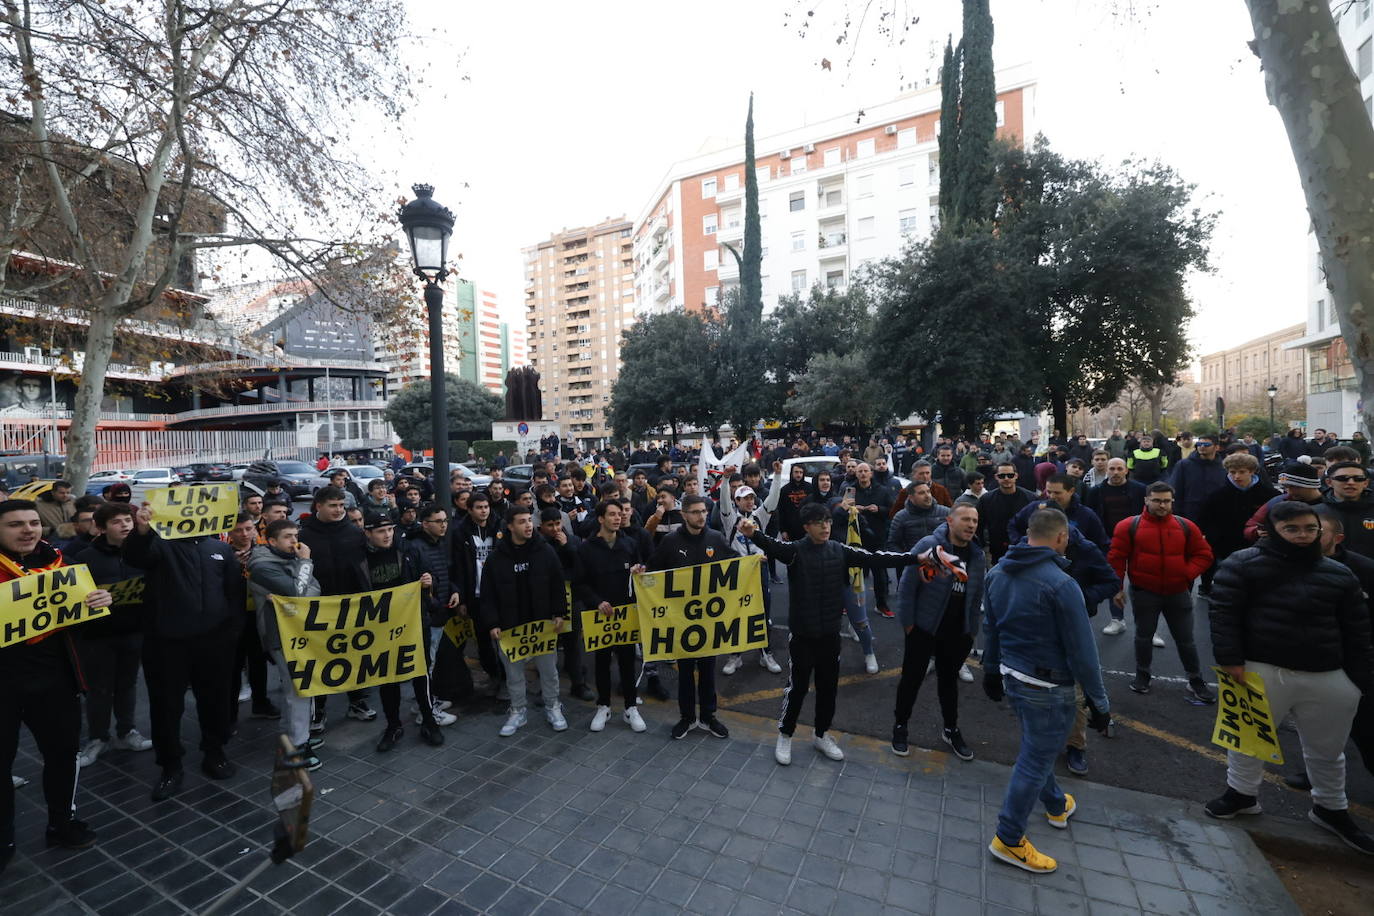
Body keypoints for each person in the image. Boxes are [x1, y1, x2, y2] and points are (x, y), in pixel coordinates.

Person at [1204, 501, 1374, 853]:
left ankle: (1330, 807)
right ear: (1273, 530)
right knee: (1247, 742)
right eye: (1292, 529)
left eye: (1310, 529)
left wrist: (1355, 681)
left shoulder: (1340, 574)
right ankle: (1242, 794)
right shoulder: (1242, 563)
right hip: (1260, 669)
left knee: (1327, 751)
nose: (1302, 536)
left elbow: (1358, 630)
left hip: (1327, 675)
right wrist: (1231, 662)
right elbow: (1223, 615)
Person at [982, 507, 1112, 874]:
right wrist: (1100, 702)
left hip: (1012, 677)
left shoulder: (997, 572)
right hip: (1050, 686)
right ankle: (1008, 838)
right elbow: (1084, 652)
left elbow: (990, 628)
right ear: (1060, 538)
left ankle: (1056, 804)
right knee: (1035, 758)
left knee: (1036, 748)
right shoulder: (1061, 583)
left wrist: (991, 670)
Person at [741, 505, 921, 765]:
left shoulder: (840, 550)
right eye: (818, 522)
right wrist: (752, 533)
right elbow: (769, 544)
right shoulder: (794, 551)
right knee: (798, 687)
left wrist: (915, 558)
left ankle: (822, 734)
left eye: (827, 522)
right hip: (802, 635)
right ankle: (785, 734)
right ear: (806, 527)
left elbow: (874, 558)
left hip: (830, 634)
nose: (825, 527)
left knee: (828, 688)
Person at [0, 500, 112, 871]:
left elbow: (86, 628)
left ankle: (61, 823)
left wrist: (97, 604)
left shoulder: (60, 565)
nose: (28, 530)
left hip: (54, 682)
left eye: (33, 522)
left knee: (63, 756)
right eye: (15, 524)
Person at [123, 502, 242, 801]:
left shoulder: (221, 548)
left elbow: (234, 594)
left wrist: (230, 635)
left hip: (213, 643)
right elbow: (135, 556)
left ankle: (214, 752)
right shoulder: (159, 545)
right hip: (166, 643)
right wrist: (141, 531)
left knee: (215, 700)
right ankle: (170, 765)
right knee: (165, 706)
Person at [891, 505, 985, 761]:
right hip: (924, 628)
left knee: (948, 683)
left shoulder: (977, 554)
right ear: (950, 520)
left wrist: (971, 630)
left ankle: (950, 729)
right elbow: (908, 586)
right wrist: (909, 624)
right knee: (911, 679)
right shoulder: (931, 545)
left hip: (957, 633)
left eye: (975, 521)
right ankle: (900, 726)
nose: (971, 525)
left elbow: (975, 597)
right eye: (965, 519)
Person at [1106, 482, 1215, 701]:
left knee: (1186, 640)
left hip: (1178, 593)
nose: (1162, 505)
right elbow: (1116, 560)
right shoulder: (1129, 526)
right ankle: (1142, 676)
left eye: (1166, 500)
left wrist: (1185, 574)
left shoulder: (1186, 526)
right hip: (1145, 592)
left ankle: (1195, 680)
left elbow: (1204, 555)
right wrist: (1116, 589)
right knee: (1143, 637)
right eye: (1156, 500)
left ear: (1172, 501)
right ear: (1146, 500)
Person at [75, 502, 155, 768]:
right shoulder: (84, 557)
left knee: (128, 684)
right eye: (117, 522)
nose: (125, 525)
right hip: (96, 635)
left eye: (128, 520)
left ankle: (126, 731)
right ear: (100, 528)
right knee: (99, 689)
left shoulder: (145, 552)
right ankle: (98, 737)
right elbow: (73, 598)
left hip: (134, 632)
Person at [648, 494, 733, 740]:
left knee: (708, 670)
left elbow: (734, 565)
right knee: (685, 672)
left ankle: (709, 716)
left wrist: (752, 562)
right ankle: (687, 717)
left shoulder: (716, 538)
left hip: (708, 619)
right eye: (695, 512)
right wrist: (640, 571)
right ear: (684, 514)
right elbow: (653, 570)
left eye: (704, 511)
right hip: (681, 620)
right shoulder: (670, 542)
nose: (701, 516)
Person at [360, 512, 447, 752]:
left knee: (421, 673)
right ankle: (393, 725)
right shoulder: (360, 559)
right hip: (381, 628)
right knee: (388, 678)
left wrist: (431, 582)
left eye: (390, 529)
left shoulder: (409, 551)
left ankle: (429, 721)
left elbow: (434, 579)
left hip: (414, 623)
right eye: (380, 531)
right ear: (368, 533)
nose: (387, 535)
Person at [480, 506, 568, 737]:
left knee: (549, 671)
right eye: (522, 521)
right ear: (510, 526)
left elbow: (558, 585)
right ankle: (518, 710)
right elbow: (488, 594)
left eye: (529, 520)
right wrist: (492, 622)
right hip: (511, 628)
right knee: (514, 674)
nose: (528, 525)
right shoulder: (496, 558)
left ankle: (553, 706)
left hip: (542, 626)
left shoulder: (545, 551)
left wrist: (560, 613)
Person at [247, 519, 325, 771]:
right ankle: (297, 747)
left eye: (296, 535)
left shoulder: (287, 559)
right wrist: (305, 563)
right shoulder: (261, 566)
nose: (295, 542)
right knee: (298, 690)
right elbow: (300, 592)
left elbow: (314, 589)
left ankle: (290, 735)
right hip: (280, 636)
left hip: (298, 632)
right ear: (271, 541)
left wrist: (293, 594)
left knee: (299, 689)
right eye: (288, 537)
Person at [297, 486, 376, 732]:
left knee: (353, 654)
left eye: (341, 506)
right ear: (318, 506)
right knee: (320, 659)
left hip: (351, 606)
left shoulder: (354, 532)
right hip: (318, 608)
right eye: (333, 505)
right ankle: (318, 709)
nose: (338, 510)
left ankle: (356, 701)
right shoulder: (303, 535)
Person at [574, 501, 647, 734]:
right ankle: (603, 705)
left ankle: (630, 707)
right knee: (602, 662)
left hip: (626, 614)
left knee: (627, 662)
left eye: (621, 513)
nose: (618, 518)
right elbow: (580, 583)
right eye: (612, 514)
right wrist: (596, 602)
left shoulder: (629, 543)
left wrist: (638, 572)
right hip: (600, 617)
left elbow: (641, 573)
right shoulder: (586, 549)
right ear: (601, 519)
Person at [717, 477, 783, 675]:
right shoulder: (730, 520)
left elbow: (772, 500)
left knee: (763, 613)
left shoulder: (759, 517)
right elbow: (724, 503)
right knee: (736, 614)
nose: (749, 501)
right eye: (744, 498)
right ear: (736, 501)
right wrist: (726, 479)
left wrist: (778, 476)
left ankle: (766, 653)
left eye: (751, 498)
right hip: (738, 572)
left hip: (758, 571)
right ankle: (735, 656)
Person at [451, 492, 508, 701]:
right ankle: (494, 675)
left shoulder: (500, 526)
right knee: (483, 642)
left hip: (499, 593)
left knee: (504, 639)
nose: (484, 510)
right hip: (475, 595)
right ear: (469, 510)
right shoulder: (460, 532)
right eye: (479, 507)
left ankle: (507, 678)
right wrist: (463, 599)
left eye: (486, 507)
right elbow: (458, 567)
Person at [1008, 474, 1108, 552]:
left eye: (1057, 493)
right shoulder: (1034, 507)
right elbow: (1013, 525)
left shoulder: (1086, 515)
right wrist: (1021, 543)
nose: (1051, 496)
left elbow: (1101, 543)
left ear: (1071, 491)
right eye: (1049, 492)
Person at [978, 464, 1035, 565]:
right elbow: (979, 525)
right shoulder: (986, 499)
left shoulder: (1030, 498)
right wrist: (981, 546)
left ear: (1016, 476)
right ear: (996, 477)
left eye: (1010, 475)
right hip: (997, 550)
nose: (1006, 479)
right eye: (1002, 476)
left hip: (1025, 549)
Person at [1320, 461, 1374, 559]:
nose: (1351, 482)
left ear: (1366, 483)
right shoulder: (1316, 513)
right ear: (1329, 482)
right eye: (1342, 478)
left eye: (1358, 479)